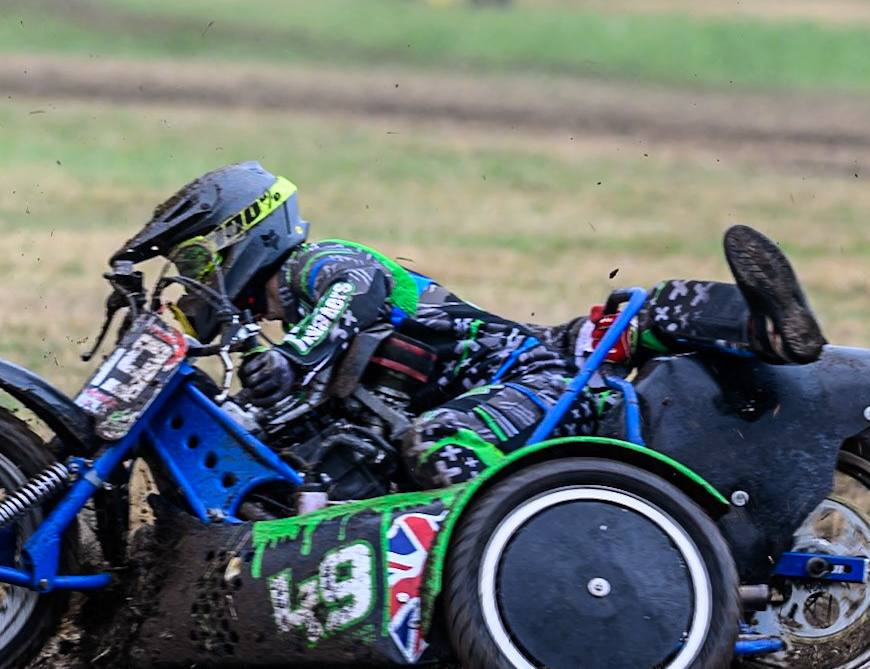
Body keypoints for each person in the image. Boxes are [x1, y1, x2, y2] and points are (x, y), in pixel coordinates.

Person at [112, 162, 826, 489]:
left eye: (201, 260)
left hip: (531, 375)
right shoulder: (294, 325)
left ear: (246, 238)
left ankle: (768, 327)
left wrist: (294, 357)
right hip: (531, 365)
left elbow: (346, 299)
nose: (200, 282)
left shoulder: (321, 266)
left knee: (444, 440)